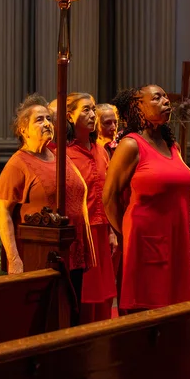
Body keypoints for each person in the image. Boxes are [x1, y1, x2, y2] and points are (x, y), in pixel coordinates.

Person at [103, 85, 190, 313]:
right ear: (139, 108)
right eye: (157, 97)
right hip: (146, 243)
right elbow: (109, 196)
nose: (166, 101)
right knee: (147, 314)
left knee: (175, 314)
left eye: (165, 96)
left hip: (176, 241)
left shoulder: (172, 145)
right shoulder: (131, 144)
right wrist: (126, 234)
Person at [0, 96, 91, 288]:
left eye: (49, 119)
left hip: (72, 252)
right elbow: (3, 212)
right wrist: (14, 258)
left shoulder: (60, 156)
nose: (47, 123)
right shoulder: (17, 164)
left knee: (71, 312)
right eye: (39, 119)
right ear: (23, 129)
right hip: (40, 255)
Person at [64, 93, 118, 322]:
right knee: (84, 297)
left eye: (93, 109)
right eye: (85, 109)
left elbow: (106, 194)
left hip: (102, 230)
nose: (92, 114)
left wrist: (112, 230)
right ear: (69, 116)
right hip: (80, 234)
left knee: (105, 297)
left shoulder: (100, 150)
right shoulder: (63, 153)